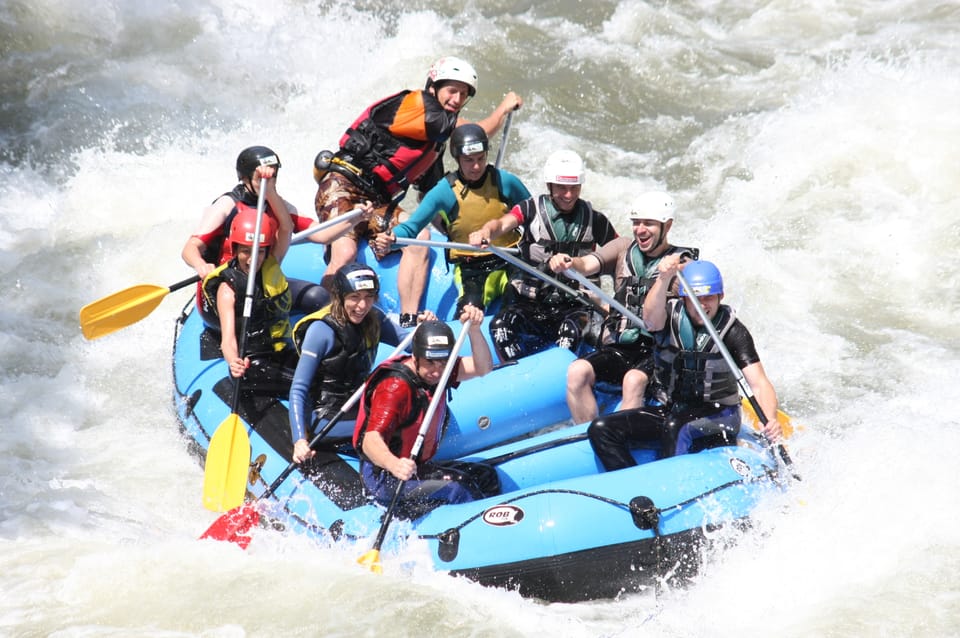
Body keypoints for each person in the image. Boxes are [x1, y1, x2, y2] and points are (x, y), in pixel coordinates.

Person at [314, 56, 523, 327]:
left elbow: (430, 200)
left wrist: (458, 232)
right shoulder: (416, 105)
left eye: (463, 94)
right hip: (342, 185)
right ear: (434, 87)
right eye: (452, 90)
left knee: (420, 237)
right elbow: (473, 134)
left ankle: (408, 322)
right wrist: (503, 110)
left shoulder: (431, 146)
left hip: (375, 202)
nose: (457, 99)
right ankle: (324, 318)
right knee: (344, 253)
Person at [586, 259, 783, 470]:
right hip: (673, 408)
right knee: (601, 428)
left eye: (709, 298)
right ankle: (631, 484)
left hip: (719, 414)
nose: (703, 305)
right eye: (695, 298)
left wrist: (770, 419)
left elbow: (759, 383)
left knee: (677, 427)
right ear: (684, 298)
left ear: (720, 297)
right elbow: (650, 319)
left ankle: (667, 487)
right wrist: (664, 278)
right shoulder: (668, 318)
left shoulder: (733, 332)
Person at [547, 191, 698, 424]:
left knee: (633, 381)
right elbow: (586, 264)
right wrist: (569, 262)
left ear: (667, 226)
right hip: (622, 346)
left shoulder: (683, 265)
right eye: (636, 223)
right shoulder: (622, 248)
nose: (640, 229)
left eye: (648, 223)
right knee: (577, 372)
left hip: (660, 353)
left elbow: (704, 306)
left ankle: (622, 437)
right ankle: (587, 435)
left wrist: (675, 275)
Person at [183, 145, 370, 329]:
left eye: (273, 176)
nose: (268, 181)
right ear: (245, 178)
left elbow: (323, 235)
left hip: (263, 285)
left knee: (318, 296)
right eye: (261, 177)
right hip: (227, 291)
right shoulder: (227, 205)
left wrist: (355, 219)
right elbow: (190, 249)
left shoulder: (279, 206)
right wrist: (201, 265)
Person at [468, 150, 619, 361]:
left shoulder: (596, 220)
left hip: (574, 306)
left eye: (574, 187)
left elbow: (620, 255)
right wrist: (486, 232)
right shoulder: (530, 208)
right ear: (550, 186)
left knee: (570, 332)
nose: (568, 195)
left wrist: (616, 302)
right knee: (500, 325)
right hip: (530, 302)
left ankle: (559, 373)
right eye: (562, 188)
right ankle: (515, 371)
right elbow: (502, 223)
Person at [352, 309, 499, 518]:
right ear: (416, 356)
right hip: (385, 477)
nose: (437, 371)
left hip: (415, 468)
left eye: (442, 363)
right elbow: (370, 440)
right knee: (458, 488)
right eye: (430, 363)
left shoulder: (439, 371)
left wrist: (475, 330)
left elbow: (482, 367)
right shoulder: (394, 388)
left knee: (486, 475)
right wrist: (395, 465)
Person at [372, 123, 531, 314]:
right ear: (457, 159)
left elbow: (534, 213)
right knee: (468, 311)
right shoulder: (444, 191)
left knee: (523, 303)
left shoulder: (505, 181)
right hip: (471, 266)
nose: (476, 166)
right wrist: (391, 239)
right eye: (469, 160)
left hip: (511, 257)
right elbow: (412, 228)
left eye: (481, 158)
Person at [288, 263, 437, 463]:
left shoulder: (374, 318)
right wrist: (299, 440)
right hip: (327, 417)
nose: (362, 306)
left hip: (359, 405)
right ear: (340, 297)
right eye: (354, 298)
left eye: (368, 297)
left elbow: (411, 344)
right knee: (394, 425)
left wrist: (428, 329)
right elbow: (298, 389)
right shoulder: (321, 331)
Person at [201, 206, 295, 396]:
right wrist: (233, 361)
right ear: (234, 250)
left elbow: (287, 227)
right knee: (309, 385)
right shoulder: (227, 289)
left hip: (281, 351)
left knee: (324, 373)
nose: (253, 260)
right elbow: (228, 340)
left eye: (259, 252)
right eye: (246, 251)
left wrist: (269, 190)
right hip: (253, 362)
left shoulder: (272, 260)